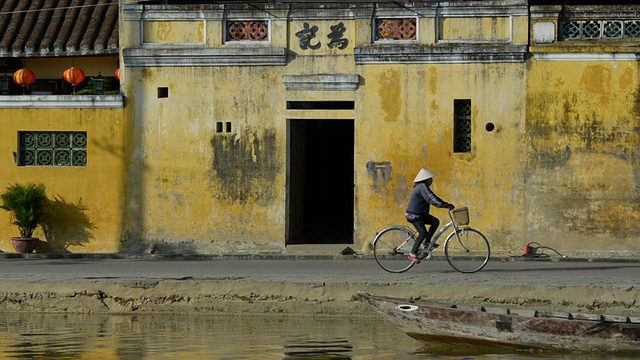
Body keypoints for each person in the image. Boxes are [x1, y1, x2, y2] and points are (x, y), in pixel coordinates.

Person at [405, 169, 454, 263]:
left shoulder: (422, 187)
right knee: (422, 232)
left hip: (420, 214)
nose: (431, 180)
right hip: (414, 215)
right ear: (426, 179)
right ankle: (412, 253)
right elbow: (431, 199)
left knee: (435, 222)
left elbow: (434, 196)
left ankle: (427, 242)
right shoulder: (421, 187)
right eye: (430, 179)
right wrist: (444, 205)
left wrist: (445, 203)